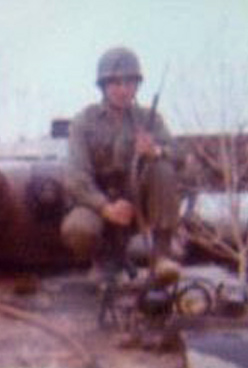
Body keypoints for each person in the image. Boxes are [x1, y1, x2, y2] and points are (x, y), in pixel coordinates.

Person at [61, 46, 181, 283]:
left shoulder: (149, 120)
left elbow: (181, 155)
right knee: (78, 229)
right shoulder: (84, 122)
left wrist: (155, 151)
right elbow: (76, 177)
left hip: (138, 204)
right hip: (96, 205)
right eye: (116, 83)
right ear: (103, 86)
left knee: (163, 168)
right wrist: (105, 207)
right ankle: (103, 259)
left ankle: (161, 256)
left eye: (130, 82)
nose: (123, 90)